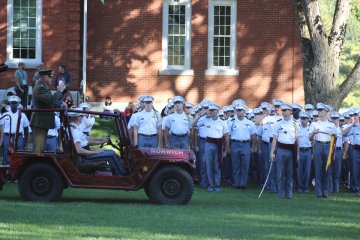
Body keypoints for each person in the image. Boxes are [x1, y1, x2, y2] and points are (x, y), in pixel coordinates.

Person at [68, 109, 127, 176]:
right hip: (85, 157)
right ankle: (122, 175)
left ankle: (121, 171)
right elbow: (78, 150)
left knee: (110, 152)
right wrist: (95, 152)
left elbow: (86, 139)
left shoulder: (75, 128)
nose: (83, 117)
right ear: (77, 118)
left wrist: (101, 140)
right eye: (82, 116)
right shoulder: (75, 131)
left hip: (86, 154)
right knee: (112, 153)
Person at [30, 69, 65, 153]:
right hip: (40, 122)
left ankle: (38, 164)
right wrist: (59, 91)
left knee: (40, 149)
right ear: (44, 77)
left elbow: (47, 103)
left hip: (42, 121)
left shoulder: (43, 87)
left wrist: (60, 105)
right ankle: (36, 165)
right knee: (38, 150)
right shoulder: (40, 88)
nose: (51, 79)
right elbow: (51, 100)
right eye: (49, 77)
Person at [270, 102, 300, 199]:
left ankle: (289, 194)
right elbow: (274, 139)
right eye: (282, 110)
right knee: (280, 173)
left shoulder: (295, 124)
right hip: (281, 149)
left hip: (291, 150)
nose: (283, 112)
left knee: (289, 173)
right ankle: (281, 194)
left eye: (285, 110)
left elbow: (297, 140)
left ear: (290, 111)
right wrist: (272, 152)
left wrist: (298, 154)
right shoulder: (278, 123)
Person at [309, 103, 337, 198]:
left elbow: (335, 138)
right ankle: (318, 192)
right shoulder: (314, 124)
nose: (319, 112)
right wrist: (313, 133)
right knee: (318, 170)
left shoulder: (331, 125)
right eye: (319, 110)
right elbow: (309, 138)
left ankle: (325, 192)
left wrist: (333, 150)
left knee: (327, 170)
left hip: (328, 146)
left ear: (326, 112)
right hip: (318, 145)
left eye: (321, 110)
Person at [200, 103, 229, 192]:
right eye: (210, 110)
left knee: (217, 165)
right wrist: (201, 115)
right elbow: (192, 124)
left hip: (219, 144)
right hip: (208, 143)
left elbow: (227, 136)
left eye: (213, 110)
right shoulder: (206, 121)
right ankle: (211, 185)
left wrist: (225, 150)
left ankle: (217, 185)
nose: (211, 112)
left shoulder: (222, 122)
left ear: (217, 111)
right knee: (209, 165)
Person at [228, 102, 256, 189]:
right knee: (235, 165)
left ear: (244, 111)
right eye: (237, 110)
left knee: (245, 165)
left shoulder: (250, 123)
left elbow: (254, 136)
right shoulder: (231, 122)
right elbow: (228, 136)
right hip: (235, 144)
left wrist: (252, 147)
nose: (239, 112)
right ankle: (236, 184)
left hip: (245, 144)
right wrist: (228, 147)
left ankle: (243, 184)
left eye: (240, 110)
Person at [0, 96, 30, 166]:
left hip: (19, 136)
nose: (13, 104)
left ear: (18, 104)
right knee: (6, 155)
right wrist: (1, 140)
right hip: (7, 136)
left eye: (15, 103)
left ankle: (19, 170)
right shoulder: (5, 115)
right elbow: (1, 128)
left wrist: (26, 142)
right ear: (9, 104)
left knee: (19, 155)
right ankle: (5, 171)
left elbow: (26, 129)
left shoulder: (22, 115)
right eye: (12, 103)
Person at [297, 111, 312, 192]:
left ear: (308, 119)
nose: (302, 120)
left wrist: (312, 152)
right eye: (301, 119)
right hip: (300, 150)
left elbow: (314, 141)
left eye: (304, 119)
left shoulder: (311, 128)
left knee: (307, 170)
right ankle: (300, 186)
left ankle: (305, 186)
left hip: (308, 150)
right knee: (299, 170)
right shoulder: (297, 127)